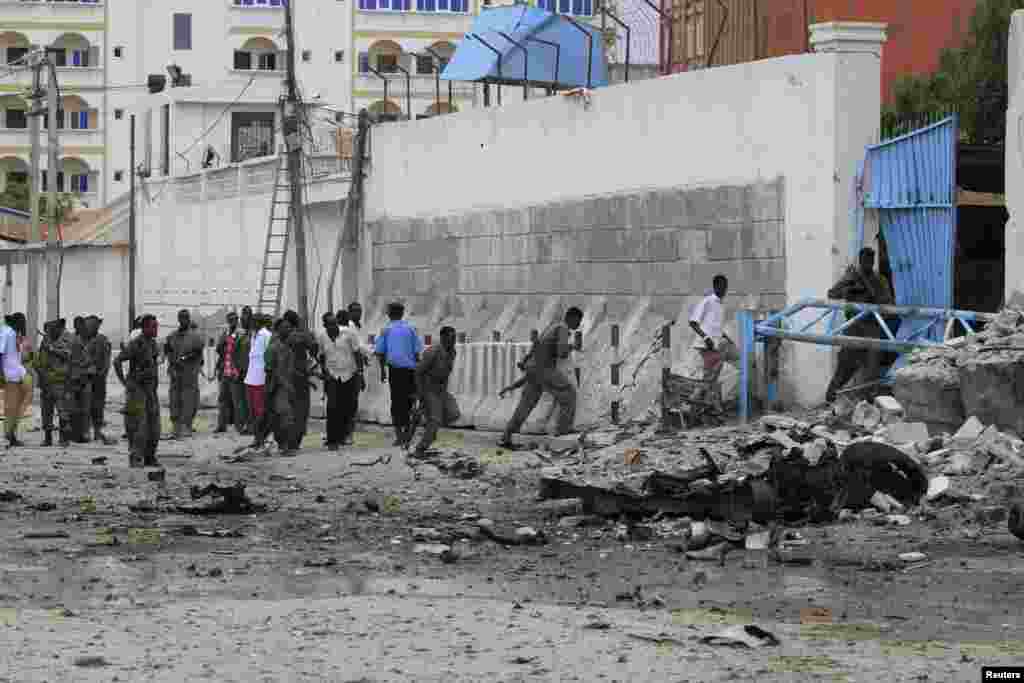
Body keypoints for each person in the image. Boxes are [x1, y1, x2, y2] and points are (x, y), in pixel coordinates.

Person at [499, 307, 582, 448]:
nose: (578, 325)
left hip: (533, 370)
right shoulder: (563, 328)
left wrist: (525, 362)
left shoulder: (551, 326)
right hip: (545, 369)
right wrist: (573, 346)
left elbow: (535, 346)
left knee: (525, 407)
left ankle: (505, 437)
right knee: (569, 394)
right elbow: (561, 352)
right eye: (578, 321)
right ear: (571, 318)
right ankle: (563, 430)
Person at [825, 246, 895, 403]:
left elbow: (888, 304)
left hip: (873, 328)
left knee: (872, 370)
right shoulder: (852, 276)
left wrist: (872, 295)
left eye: (869, 261)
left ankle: (866, 405)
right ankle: (830, 398)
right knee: (844, 367)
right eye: (864, 261)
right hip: (854, 327)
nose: (866, 265)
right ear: (860, 260)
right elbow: (832, 294)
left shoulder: (879, 280)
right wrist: (849, 286)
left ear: (872, 262)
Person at [114, 314, 161, 468]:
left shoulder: (153, 344)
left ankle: (149, 456)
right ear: (145, 327)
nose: (156, 329)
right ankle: (136, 457)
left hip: (150, 390)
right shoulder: (136, 344)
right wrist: (124, 382)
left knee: (154, 426)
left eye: (156, 326)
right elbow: (117, 360)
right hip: (137, 390)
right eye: (153, 326)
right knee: (138, 425)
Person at [375, 302, 423, 446]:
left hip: (395, 371)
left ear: (389, 314)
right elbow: (417, 353)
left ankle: (399, 435)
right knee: (410, 402)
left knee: (396, 402)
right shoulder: (411, 329)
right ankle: (407, 433)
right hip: (410, 371)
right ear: (402, 313)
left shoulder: (385, 330)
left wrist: (383, 371)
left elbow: (380, 352)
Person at [683, 275, 734, 400]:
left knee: (712, 374)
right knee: (710, 375)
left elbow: (716, 327)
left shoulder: (721, 305)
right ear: (716, 287)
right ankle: (694, 401)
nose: (724, 291)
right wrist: (706, 338)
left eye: (725, 288)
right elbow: (693, 322)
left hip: (715, 344)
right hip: (706, 345)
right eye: (722, 288)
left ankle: (700, 400)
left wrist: (727, 338)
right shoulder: (707, 301)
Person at [318, 311, 363, 451]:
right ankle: (332, 440)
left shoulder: (349, 334)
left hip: (350, 375)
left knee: (347, 407)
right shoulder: (322, 337)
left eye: (335, 323)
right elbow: (321, 356)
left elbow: (357, 354)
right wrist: (324, 373)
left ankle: (343, 435)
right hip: (332, 376)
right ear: (325, 326)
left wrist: (360, 375)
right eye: (330, 324)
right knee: (332, 407)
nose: (334, 326)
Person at [413, 326, 460, 455]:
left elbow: (446, 373)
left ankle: (429, 425)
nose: (454, 341)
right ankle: (420, 448)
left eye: (454, 338)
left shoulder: (452, 352)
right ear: (443, 338)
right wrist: (420, 394)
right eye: (451, 338)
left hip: (441, 390)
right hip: (429, 389)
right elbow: (418, 372)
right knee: (435, 420)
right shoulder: (432, 352)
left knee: (454, 414)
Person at [163, 309, 204, 439]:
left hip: (189, 374)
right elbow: (167, 350)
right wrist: (172, 364)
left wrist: (185, 359)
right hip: (176, 373)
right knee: (174, 399)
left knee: (189, 399)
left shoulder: (195, 336)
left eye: (186, 317)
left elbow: (198, 353)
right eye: (181, 317)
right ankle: (176, 427)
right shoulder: (172, 336)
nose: (183, 320)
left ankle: (187, 426)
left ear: (188, 319)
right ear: (178, 319)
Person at [283, 310, 317, 451]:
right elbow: (314, 347)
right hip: (300, 375)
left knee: (289, 409)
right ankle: (295, 441)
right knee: (301, 409)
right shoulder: (301, 335)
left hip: (286, 376)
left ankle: (288, 441)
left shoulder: (283, 336)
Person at [264, 317, 297, 456]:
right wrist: (277, 386)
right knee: (284, 416)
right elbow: (270, 370)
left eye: (289, 327)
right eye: (285, 327)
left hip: (286, 386)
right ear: (278, 330)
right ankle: (284, 446)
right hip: (278, 387)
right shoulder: (273, 347)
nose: (289, 329)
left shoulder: (287, 347)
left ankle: (282, 445)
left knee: (283, 417)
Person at [0, 312, 31, 447]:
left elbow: (15, 357)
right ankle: (10, 434)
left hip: (16, 374)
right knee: (13, 406)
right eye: (23, 323)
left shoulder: (14, 334)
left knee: (18, 404)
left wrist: (28, 354)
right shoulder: (6, 332)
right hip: (9, 375)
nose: (24, 325)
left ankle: (11, 433)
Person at [83, 315, 115, 445]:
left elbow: (106, 360)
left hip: (98, 379)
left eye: (93, 325)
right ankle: (85, 431)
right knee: (85, 406)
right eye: (89, 325)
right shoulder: (81, 340)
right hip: (84, 379)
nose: (90, 327)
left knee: (97, 406)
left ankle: (96, 431)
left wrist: (102, 373)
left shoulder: (102, 340)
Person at [244, 314, 273, 447]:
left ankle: (262, 439)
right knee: (253, 412)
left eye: (253, 322)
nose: (251, 324)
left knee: (261, 411)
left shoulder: (266, 335)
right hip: (250, 378)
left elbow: (270, 356)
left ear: (258, 323)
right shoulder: (253, 336)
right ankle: (257, 438)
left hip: (261, 379)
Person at [215, 311, 244, 434]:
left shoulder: (240, 333)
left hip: (235, 371)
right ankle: (222, 425)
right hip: (225, 370)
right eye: (230, 319)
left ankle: (239, 426)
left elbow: (241, 352)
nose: (232, 322)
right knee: (222, 399)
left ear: (237, 320)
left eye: (234, 319)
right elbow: (219, 350)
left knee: (237, 400)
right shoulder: (225, 333)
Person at [234, 306, 254, 433]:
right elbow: (234, 351)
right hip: (241, 371)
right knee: (242, 400)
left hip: (252, 372)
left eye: (245, 318)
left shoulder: (255, 334)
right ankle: (245, 424)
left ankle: (252, 425)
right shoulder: (240, 334)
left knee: (251, 400)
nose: (243, 320)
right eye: (242, 318)